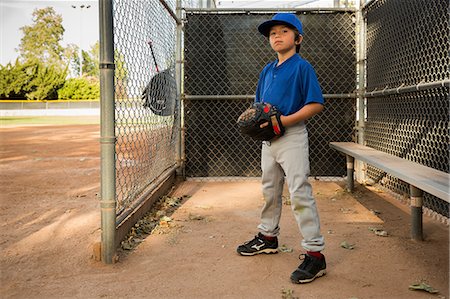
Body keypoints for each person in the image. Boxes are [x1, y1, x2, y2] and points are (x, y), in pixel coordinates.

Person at [236, 13, 326, 284]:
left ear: (297, 39)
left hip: (291, 136)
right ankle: (268, 236)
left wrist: (282, 121)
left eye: (284, 31)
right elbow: (258, 106)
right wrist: (258, 121)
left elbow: (315, 104)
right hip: (270, 140)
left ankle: (315, 254)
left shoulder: (302, 67)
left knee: (299, 191)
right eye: (272, 32)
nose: (276, 35)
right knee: (269, 190)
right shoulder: (266, 70)